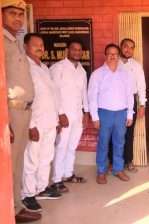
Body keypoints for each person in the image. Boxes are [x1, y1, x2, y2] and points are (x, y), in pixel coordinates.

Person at [1, 0, 41, 222]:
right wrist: (3, 119)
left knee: (17, 164)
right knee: (8, 166)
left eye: (20, 14)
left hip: (24, 111)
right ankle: (9, 210)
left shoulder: (15, 42)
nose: (17, 18)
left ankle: (15, 207)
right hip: (10, 111)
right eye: (11, 13)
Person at [21, 33, 62, 213]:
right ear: (25, 47)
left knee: (46, 158)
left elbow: (51, 96)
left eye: (41, 44)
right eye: (35, 44)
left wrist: (56, 119)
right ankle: (27, 194)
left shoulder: (44, 68)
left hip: (49, 122)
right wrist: (31, 125)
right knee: (32, 160)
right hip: (35, 123)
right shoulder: (25, 68)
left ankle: (41, 188)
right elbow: (24, 98)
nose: (39, 47)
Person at [88, 43, 134, 184]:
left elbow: (129, 95)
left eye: (115, 54)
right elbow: (92, 96)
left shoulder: (124, 75)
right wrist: (95, 117)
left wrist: (129, 114)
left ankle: (118, 169)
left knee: (120, 142)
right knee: (103, 143)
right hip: (104, 113)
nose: (113, 56)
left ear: (118, 56)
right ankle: (101, 171)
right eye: (110, 54)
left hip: (121, 113)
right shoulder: (97, 74)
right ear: (105, 55)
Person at [49, 39, 90, 193]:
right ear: (68, 50)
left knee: (72, 146)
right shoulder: (58, 68)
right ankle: (57, 179)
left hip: (78, 114)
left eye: (79, 50)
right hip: (64, 114)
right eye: (74, 49)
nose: (77, 52)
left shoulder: (82, 70)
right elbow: (53, 92)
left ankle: (68, 173)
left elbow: (84, 92)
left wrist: (86, 112)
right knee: (61, 146)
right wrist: (60, 113)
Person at [107, 38, 146, 173]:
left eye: (131, 47)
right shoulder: (113, 63)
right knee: (114, 133)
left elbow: (141, 86)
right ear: (120, 47)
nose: (128, 50)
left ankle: (128, 161)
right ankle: (112, 162)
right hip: (114, 102)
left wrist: (142, 105)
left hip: (131, 102)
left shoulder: (136, 65)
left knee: (129, 133)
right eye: (125, 46)